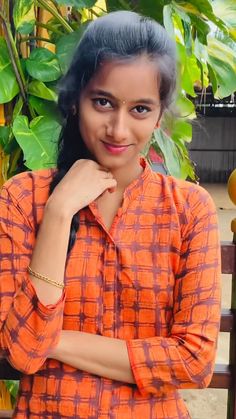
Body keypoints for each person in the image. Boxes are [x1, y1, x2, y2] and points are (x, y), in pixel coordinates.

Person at [0, 10, 221, 419]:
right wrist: (60, 210)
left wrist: (55, 339)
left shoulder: (189, 209)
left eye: (140, 109)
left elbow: (195, 360)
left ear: (159, 116)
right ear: (74, 100)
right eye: (102, 102)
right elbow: (21, 355)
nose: (118, 130)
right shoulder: (21, 199)